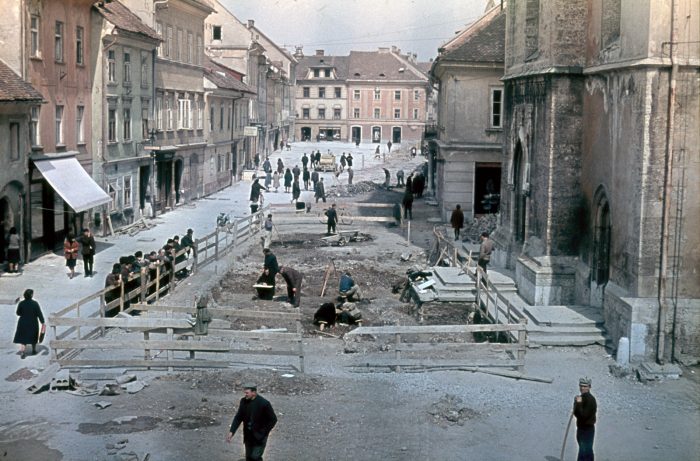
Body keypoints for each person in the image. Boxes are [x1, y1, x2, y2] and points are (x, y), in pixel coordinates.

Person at [226, 383, 277, 461]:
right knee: (249, 457)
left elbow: (273, 419)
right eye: (245, 393)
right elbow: (238, 417)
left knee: (255, 457)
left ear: (254, 392)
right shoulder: (243, 401)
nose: (245, 395)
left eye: (247, 393)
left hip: (260, 437)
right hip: (248, 436)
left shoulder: (264, 403)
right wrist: (232, 431)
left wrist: (264, 432)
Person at [13, 289, 45, 359]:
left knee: (23, 338)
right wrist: (42, 321)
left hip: (23, 322)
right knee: (33, 336)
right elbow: (39, 313)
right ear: (31, 295)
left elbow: (18, 313)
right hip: (32, 322)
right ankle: (33, 350)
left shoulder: (21, 303)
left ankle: (22, 351)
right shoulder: (35, 303)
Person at [573, 377, 597, 461]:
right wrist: (575, 402)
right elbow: (576, 414)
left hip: (587, 429)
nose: (582, 388)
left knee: (585, 451)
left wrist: (578, 403)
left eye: (585, 386)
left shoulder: (590, 399)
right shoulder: (581, 398)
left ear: (589, 387)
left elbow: (583, 416)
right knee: (584, 450)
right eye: (581, 386)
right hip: (581, 428)